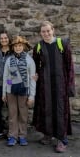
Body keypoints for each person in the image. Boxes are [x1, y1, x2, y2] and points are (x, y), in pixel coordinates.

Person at [32, 21, 75, 153]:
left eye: (48, 31)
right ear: (40, 33)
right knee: (47, 109)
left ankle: (62, 140)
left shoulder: (63, 44)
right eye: (43, 31)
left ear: (53, 30)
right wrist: (36, 75)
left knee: (60, 111)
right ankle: (48, 134)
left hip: (60, 85)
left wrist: (70, 86)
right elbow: (35, 64)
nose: (46, 33)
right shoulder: (38, 46)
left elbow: (70, 67)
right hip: (45, 85)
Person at [2, 36, 36, 147]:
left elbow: (32, 79)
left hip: (24, 90)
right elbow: (7, 77)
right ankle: (12, 136)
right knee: (12, 114)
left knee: (23, 114)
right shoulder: (9, 60)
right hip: (11, 91)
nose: (18, 48)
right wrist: (5, 92)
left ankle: (22, 136)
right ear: (13, 47)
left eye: (20, 46)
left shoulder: (29, 60)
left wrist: (32, 96)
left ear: (24, 47)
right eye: (16, 46)